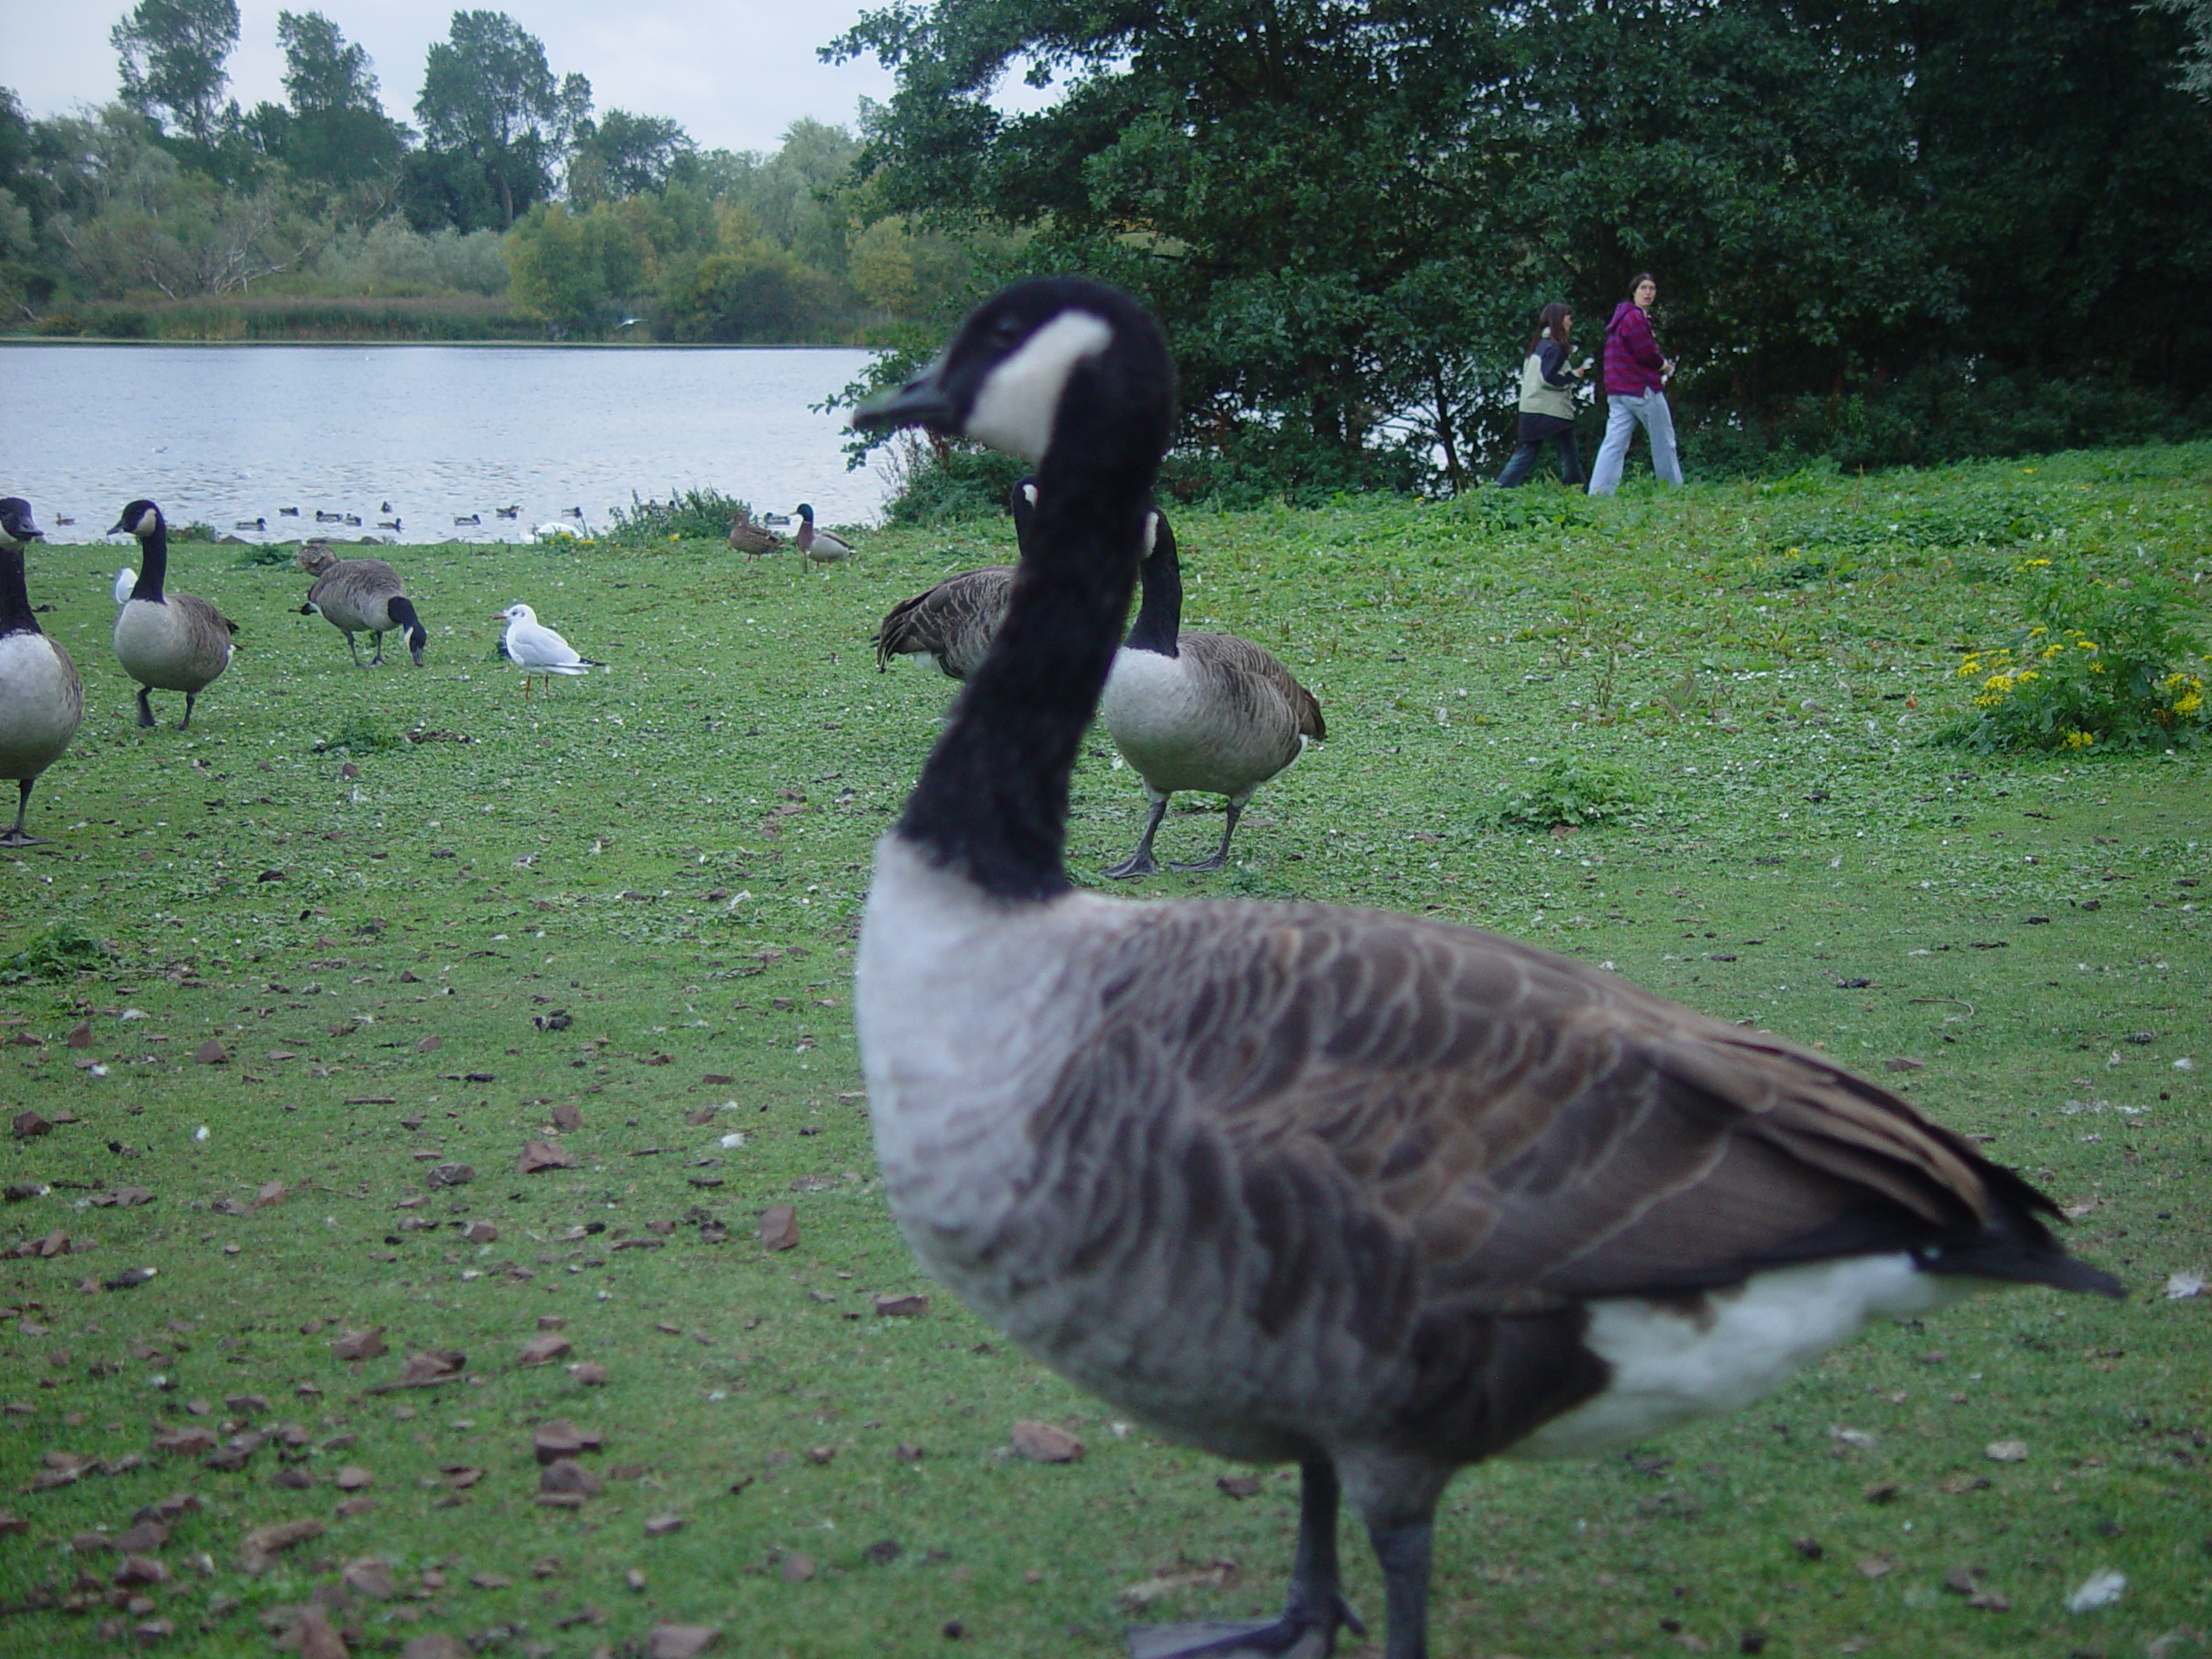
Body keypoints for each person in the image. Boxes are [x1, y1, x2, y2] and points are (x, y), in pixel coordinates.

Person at [1587, 270, 1683, 494]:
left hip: (1618, 391)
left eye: (1652, 289)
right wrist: (1664, 367)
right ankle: (1673, 490)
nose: (1648, 293)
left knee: (1614, 443)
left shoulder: (1619, 318)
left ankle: (1599, 493)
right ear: (1634, 292)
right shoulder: (1635, 317)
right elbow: (1645, 352)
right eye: (1643, 288)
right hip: (1641, 390)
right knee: (1663, 441)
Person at [1495, 302, 1586, 487]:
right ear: (1559, 320)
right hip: (1551, 410)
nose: (1571, 323)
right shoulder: (1556, 347)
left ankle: (1499, 489)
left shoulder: (1539, 345)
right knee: (1566, 452)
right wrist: (1574, 375)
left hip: (1531, 407)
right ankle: (1576, 488)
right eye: (1569, 319)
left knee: (1529, 451)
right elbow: (1548, 378)